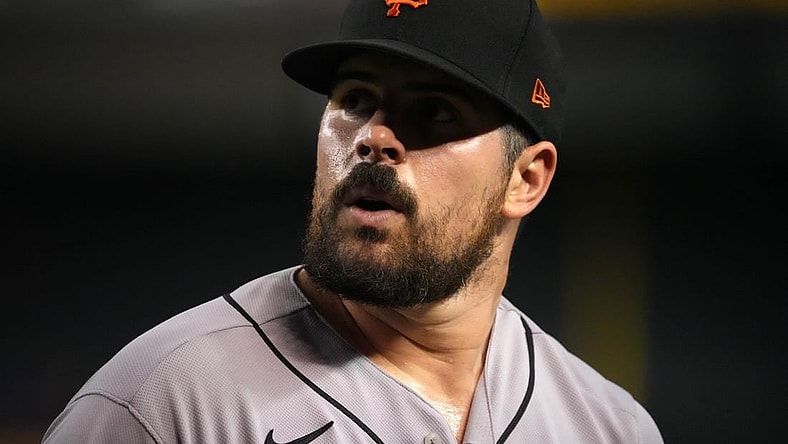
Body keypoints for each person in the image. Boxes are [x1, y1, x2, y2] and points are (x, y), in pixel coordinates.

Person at [42, 0, 664, 443]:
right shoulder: (164, 404)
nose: (374, 137)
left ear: (524, 179)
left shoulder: (609, 428)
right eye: (357, 99)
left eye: (435, 111)